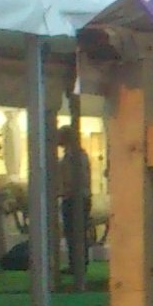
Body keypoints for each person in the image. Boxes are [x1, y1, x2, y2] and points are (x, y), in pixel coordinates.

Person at [54, 122, 93, 288]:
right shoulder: (75, 154)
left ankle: (78, 264)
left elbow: (76, 177)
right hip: (76, 196)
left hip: (76, 198)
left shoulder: (74, 156)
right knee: (74, 232)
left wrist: (66, 189)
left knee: (75, 232)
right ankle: (76, 264)